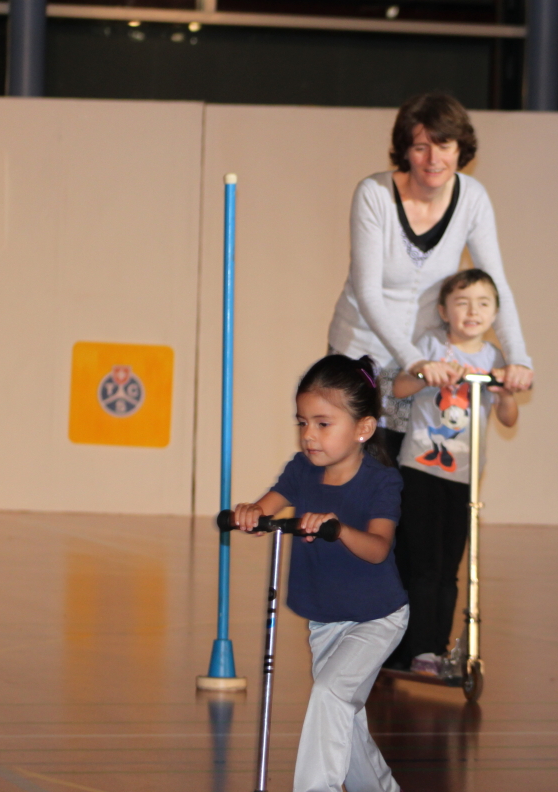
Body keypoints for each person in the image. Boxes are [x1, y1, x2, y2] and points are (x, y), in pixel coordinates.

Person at [229, 354, 408, 792]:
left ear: (363, 428)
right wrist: (251, 514)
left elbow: (378, 548)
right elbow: (266, 509)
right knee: (343, 716)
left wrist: (339, 529)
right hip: (326, 621)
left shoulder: (381, 482)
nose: (309, 434)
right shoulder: (301, 471)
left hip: (376, 618)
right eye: (302, 422)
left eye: (323, 423)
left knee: (329, 695)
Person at [328, 93, 533, 461]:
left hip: (425, 362)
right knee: (352, 469)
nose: (433, 159)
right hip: (363, 352)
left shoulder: (472, 199)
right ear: (405, 151)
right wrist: (415, 363)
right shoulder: (374, 194)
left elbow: (495, 284)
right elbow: (367, 292)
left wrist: (518, 359)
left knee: (406, 474)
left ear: (460, 150)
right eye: (421, 147)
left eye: (444, 146)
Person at [385, 269, 519, 675]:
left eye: (483, 303)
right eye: (462, 303)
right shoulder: (430, 344)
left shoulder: (494, 358)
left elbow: (509, 418)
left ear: (495, 313)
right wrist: (424, 371)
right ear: (444, 311)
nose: (472, 311)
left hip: (464, 477)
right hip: (421, 469)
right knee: (423, 563)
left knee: (450, 569)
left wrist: (505, 394)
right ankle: (417, 649)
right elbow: (399, 389)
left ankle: (436, 648)